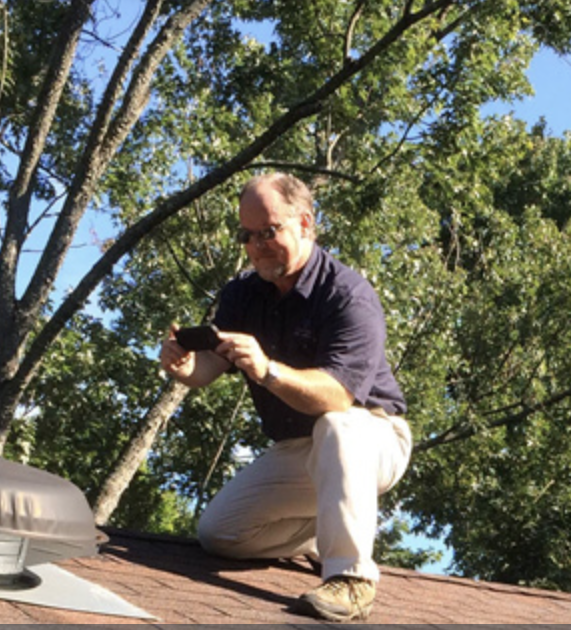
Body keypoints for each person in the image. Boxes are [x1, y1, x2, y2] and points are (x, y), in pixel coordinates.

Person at [159, 172, 412, 622]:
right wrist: (184, 368)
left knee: (337, 425)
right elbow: (210, 366)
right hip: (300, 450)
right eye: (248, 235)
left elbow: (338, 397)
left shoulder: (348, 295)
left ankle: (352, 579)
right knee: (220, 534)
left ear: (306, 224)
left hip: (373, 437)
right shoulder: (241, 294)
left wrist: (268, 371)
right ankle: (321, 533)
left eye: (269, 231)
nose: (257, 246)